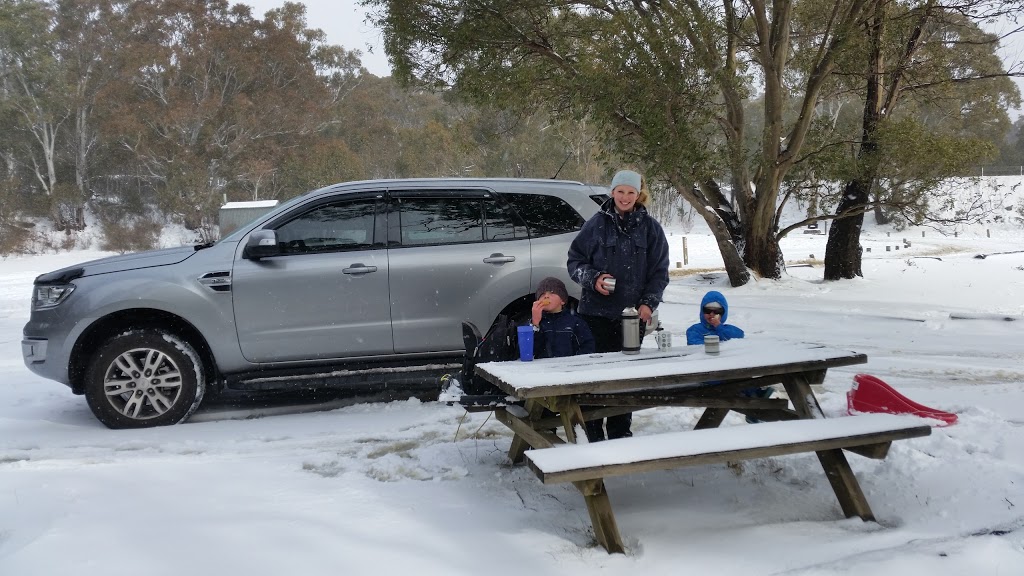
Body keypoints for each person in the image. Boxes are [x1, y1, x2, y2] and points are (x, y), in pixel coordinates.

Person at [567, 169, 670, 441]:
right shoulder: (595, 225)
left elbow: (659, 272)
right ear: (612, 192)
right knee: (595, 376)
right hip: (595, 316)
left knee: (624, 380)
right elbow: (575, 262)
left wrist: (648, 303)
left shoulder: (651, 230)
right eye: (620, 191)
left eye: (631, 192)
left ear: (639, 195)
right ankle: (591, 431)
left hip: (631, 317)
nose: (625, 197)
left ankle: (620, 433)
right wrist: (593, 279)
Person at [685, 290, 771, 422]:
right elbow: (697, 347)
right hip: (706, 371)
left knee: (742, 375)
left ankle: (756, 404)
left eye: (717, 312)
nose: (712, 314)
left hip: (726, 370)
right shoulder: (694, 330)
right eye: (708, 310)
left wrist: (719, 327)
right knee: (737, 383)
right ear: (702, 311)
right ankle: (756, 402)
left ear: (723, 314)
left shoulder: (726, 329)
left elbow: (740, 336)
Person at [530, 277, 595, 359]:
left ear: (562, 300)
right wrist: (535, 324)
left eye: (552, 293)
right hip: (543, 368)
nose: (546, 296)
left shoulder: (575, 322)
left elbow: (587, 346)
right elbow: (528, 349)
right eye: (542, 294)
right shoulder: (536, 322)